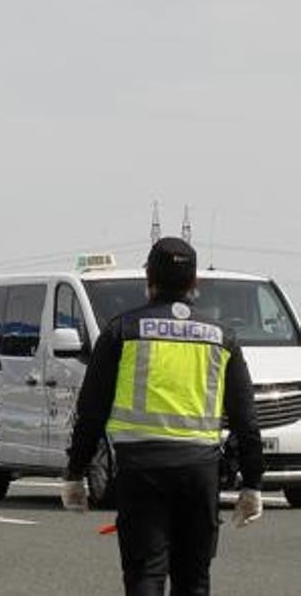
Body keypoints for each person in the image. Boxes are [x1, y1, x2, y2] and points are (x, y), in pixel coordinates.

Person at [64, 238, 263, 595]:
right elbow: (246, 419)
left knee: (145, 575)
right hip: (200, 470)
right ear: (195, 284)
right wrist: (252, 483)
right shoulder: (222, 338)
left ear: (148, 278)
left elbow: (91, 411)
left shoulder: (121, 331)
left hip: (140, 468)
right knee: (194, 579)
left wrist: (76, 473)